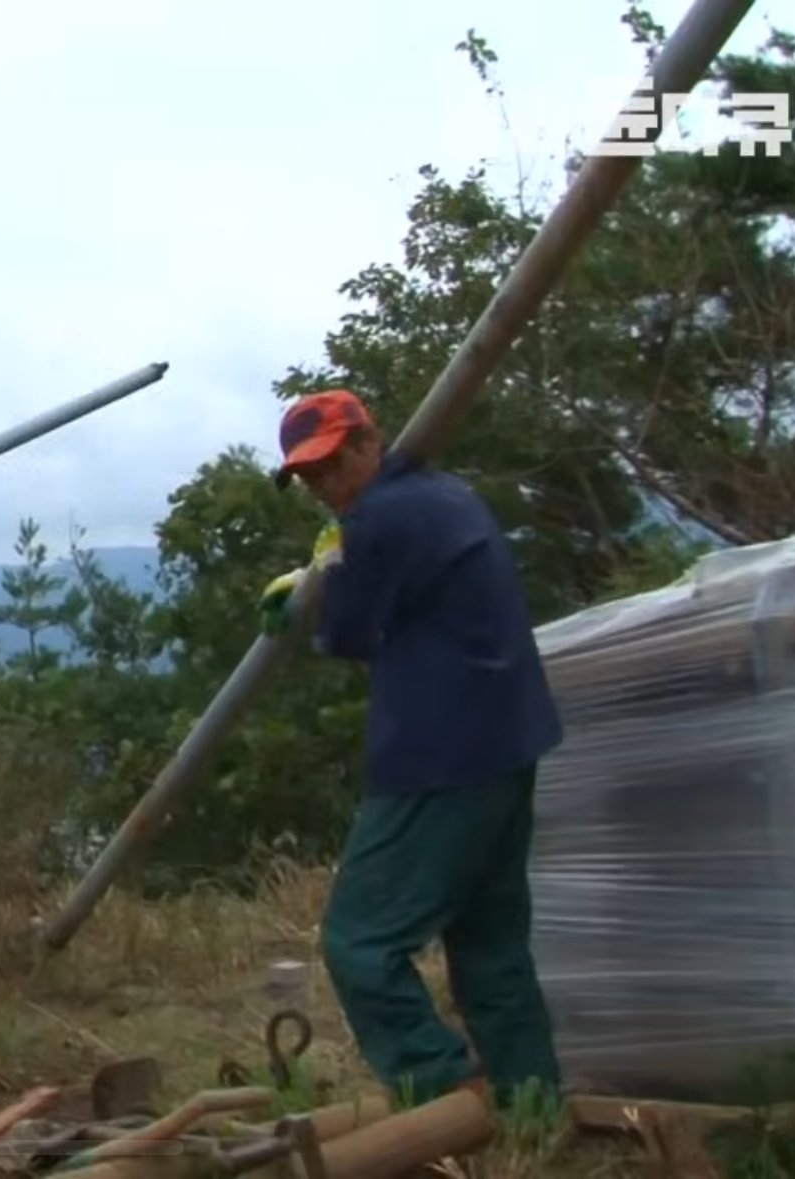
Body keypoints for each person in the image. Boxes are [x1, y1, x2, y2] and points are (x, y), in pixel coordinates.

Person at [263, 388, 566, 1109]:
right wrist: (335, 565)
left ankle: (443, 1091)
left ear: (370, 442)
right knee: (489, 941)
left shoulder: (381, 517)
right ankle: (531, 1106)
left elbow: (347, 635)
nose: (325, 486)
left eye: (335, 464)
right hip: (505, 742)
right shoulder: (443, 494)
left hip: (441, 758)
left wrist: (320, 584)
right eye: (309, 476)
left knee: (359, 941)